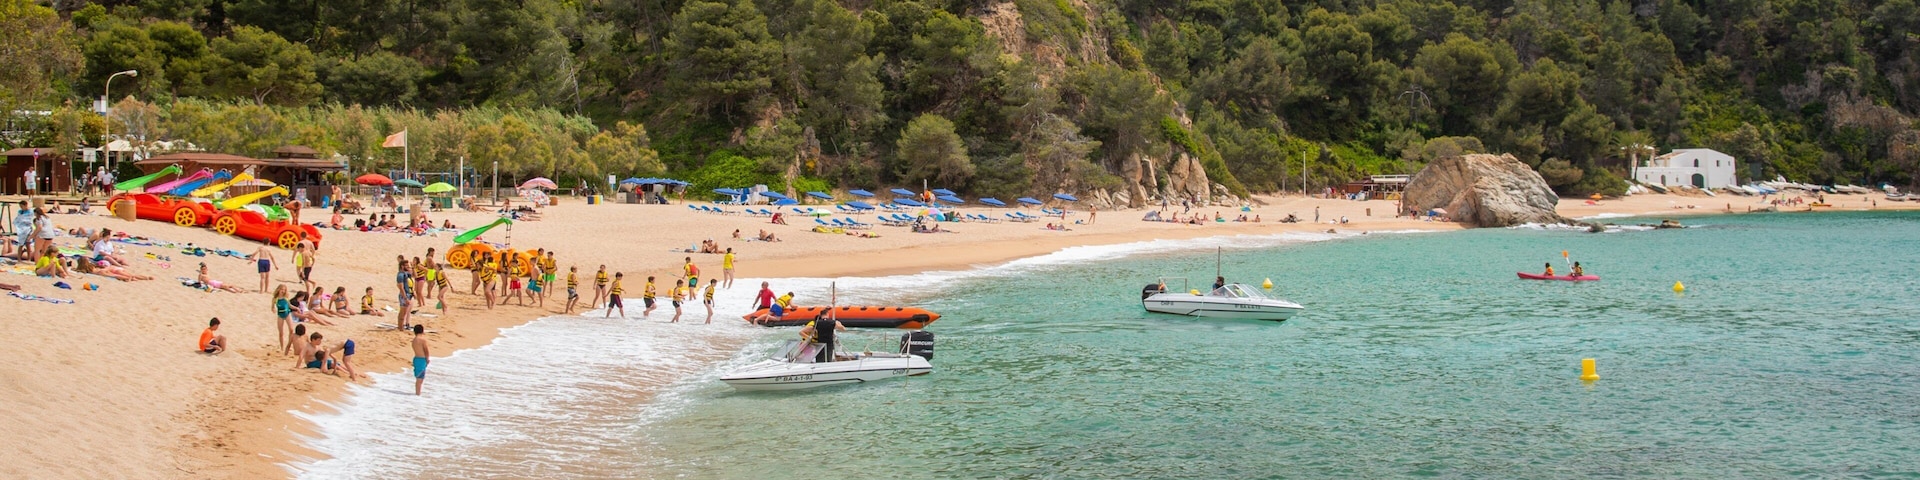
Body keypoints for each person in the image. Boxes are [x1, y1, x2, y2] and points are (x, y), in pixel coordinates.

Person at [395, 256, 415, 329]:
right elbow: (401, 288)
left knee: (405, 312)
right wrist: (405, 298)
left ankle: (401, 327)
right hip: (404, 295)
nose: (407, 266)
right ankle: (400, 327)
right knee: (403, 312)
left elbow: (414, 275)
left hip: (408, 294)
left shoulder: (405, 273)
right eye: (406, 265)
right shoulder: (400, 275)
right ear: (402, 266)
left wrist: (413, 267)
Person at [412, 324, 430, 395]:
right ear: (422, 331)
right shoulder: (422, 340)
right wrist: (427, 358)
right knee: (420, 379)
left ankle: (417, 393)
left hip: (416, 358)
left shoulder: (414, 340)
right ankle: (417, 394)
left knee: (418, 378)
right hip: (421, 360)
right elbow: (426, 350)